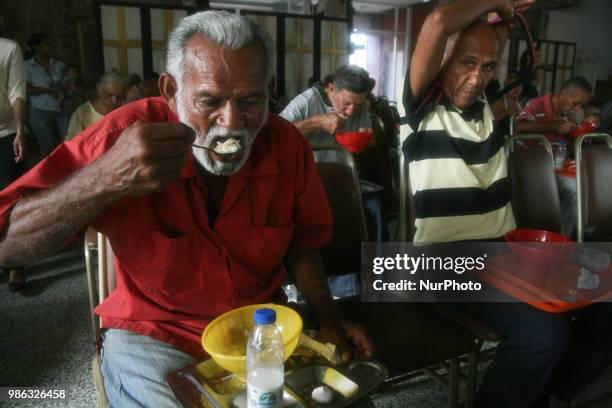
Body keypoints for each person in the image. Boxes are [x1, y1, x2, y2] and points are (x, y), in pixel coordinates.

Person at [0, 11, 374, 407]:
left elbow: (303, 243)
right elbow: (7, 244)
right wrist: (104, 179)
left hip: (260, 324)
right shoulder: (121, 137)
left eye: (249, 101)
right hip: (155, 332)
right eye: (209, 101)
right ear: (170, 89)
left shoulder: (286, 145)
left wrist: (328, 318)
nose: (231, 124)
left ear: (270, 90)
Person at [401, 1, 612, 407]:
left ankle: (546, 393)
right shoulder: (419, 113)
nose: (476, 77)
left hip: (505, 251)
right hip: (442, 261)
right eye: (465, 62)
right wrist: (496, 3)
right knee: (544, 335)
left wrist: (507, 17)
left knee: (604, 311)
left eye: (487, 66)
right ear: (441, 63)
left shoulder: (485, 108)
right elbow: (438, 22)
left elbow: (497, 37)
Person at [516, 76, 593, 237]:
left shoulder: (566, 115)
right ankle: (560, 238)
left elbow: (567, 142)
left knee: (588, 180)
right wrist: (554, 126)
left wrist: (583, 129)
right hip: (532, 168)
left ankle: (567, 235)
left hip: (556, 167)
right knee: (573, 189)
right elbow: (518, 126)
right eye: (576, 103)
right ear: (563, 94)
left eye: (581, 105)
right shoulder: (537, 105)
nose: (578, 109)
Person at [280, 65, 373, 146]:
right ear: (331, 88)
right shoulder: (308, 99)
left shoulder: (362, 104)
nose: (350, 112)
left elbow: (371, 140)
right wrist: (317, 122)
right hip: (308, 163)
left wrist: (366, 138)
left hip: (344, 164)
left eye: (357, 105)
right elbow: (277, 133)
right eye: (346, 103)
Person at [0, 37, 27, 291]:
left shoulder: (8, 49)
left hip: (5, 133)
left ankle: (16, 263)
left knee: (9, 202)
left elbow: (17, 90)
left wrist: (20, 131)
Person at [25, 33, 69, 156]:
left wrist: (63, 87)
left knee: (68, 139)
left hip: (60, 107)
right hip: (40, 110)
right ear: (37, 47)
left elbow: (66, 83)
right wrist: (48, 91)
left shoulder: (58, 64)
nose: (49, 47)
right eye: (46, 44)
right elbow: (27, 89)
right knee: (47, 145)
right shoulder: (27, 66)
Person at [65, 71, 127, 140]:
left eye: (119, 97)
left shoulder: (123, 112)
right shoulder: (82, 113)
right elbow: (72, 143)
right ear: (99, 89)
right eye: (109, 95)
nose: (114, 100)